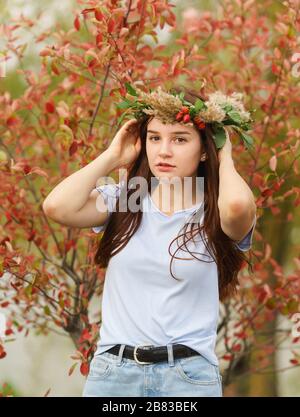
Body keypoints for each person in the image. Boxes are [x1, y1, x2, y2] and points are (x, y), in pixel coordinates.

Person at [43, 85, 257, 397]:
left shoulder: (217, 211)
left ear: (204, 149)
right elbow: (56, 207)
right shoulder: (127, 199)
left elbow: (238, 207)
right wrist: (112, 157)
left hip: (187, 377)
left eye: (179, 139)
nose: (163, 150)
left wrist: (224, 156)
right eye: (155, 137)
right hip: (114, 373)